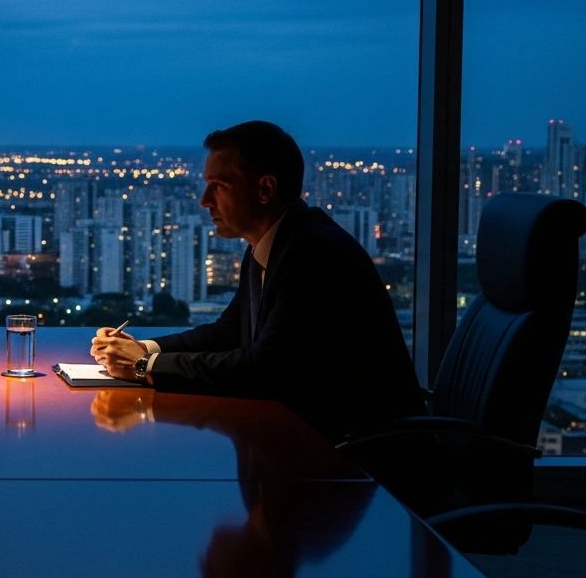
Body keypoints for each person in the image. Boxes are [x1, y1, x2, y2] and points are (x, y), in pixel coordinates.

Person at [90, 120, 423, 439]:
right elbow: (229, 333)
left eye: (218, 186)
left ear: (265, 189)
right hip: (302, 436)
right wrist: (142, 349)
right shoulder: (271, 245)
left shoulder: (314, 255)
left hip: (359, 458)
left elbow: (263, 372)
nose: (205, 200)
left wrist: (144, 365)